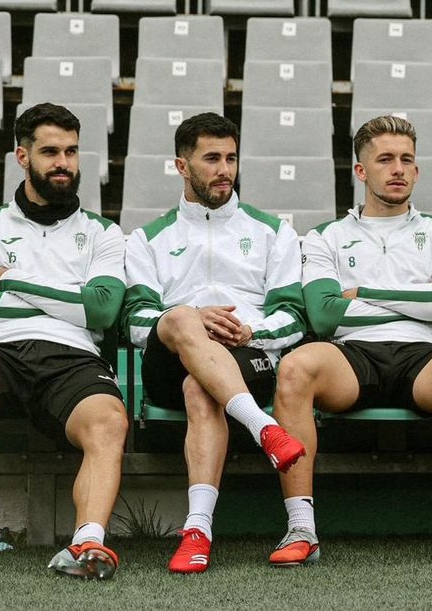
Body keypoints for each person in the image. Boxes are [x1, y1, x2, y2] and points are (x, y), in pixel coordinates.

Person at [269, 116, 432, 567]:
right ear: (361, 171)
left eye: (407, 160)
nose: (397, 169)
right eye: (385, 160)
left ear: (417, 171)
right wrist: (420, 298)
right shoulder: (326, 236)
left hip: (426, 356)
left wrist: (364, 293)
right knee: (296, 367)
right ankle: (301, 528)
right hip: (352, 355)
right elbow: (323, 314)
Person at [0, 103, 129, 579]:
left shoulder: (103, 232)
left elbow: (102, 311)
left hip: (74, 356)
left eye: (71, 151)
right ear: (22, 156)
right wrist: (71, 296)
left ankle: (87, 544)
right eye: (49, 152)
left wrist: (14, 280)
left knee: (109, 420)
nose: (63, 162)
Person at [123, 113, 307, 574]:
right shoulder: (148, 238)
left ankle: (197, 530)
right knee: (183, 315)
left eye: (231, 158)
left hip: (249, 357)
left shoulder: (271, 231)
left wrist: (252, 332)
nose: (225, 169)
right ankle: (264, 427)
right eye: (211, 159)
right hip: (168, 357)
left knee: (199, 387)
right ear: (182, 166)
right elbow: (135, 319)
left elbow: (294, 317)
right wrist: (187, 322)